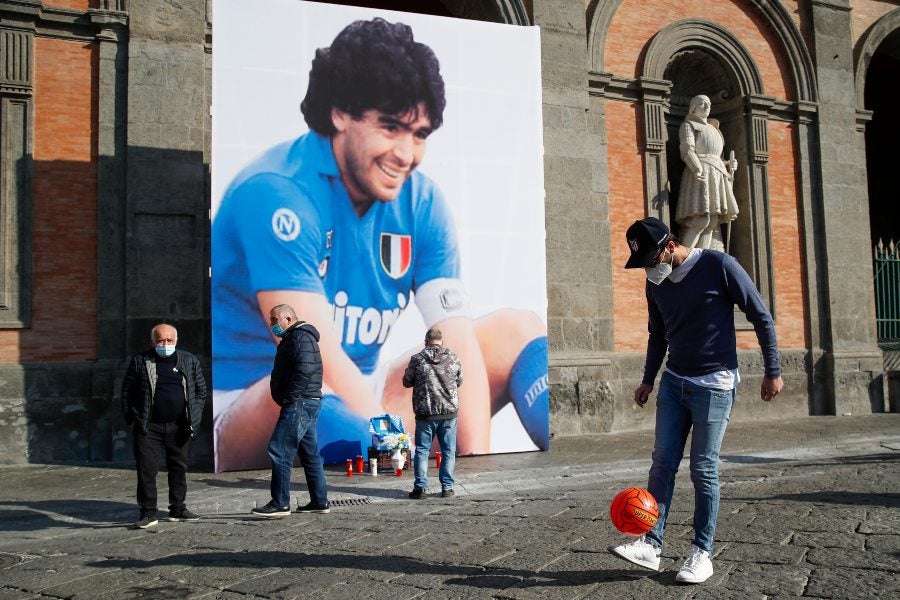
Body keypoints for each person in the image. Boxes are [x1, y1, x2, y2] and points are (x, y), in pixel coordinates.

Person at [212, 17, 548, 471]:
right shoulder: (276, 190)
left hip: (361, 394)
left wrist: (474, 459)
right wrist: (390, 437)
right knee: (304, 381)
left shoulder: (422, 201)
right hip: (251, 404)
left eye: (420, 134)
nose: (406, 154)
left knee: (517, 330)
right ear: (340, 114)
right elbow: (312, 354)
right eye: (391, 127)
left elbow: (453, 341)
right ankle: (375, 461)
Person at [609, 217, 783, 583]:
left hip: (715, 383)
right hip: (674, 382)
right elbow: (658, 335)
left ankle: (701, 554)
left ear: (669, 247)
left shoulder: (720, 266)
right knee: (662, 463)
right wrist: (647, 380)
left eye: (651, 260)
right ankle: (651, 545)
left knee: (703, 470)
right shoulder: (654, 283)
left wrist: (773, 370)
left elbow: (761, 316)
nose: (648, 270)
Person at [121, 324, 207, 529]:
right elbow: (127, 392)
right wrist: (131, 420)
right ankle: (148, 512)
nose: (165, 344)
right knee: (147, 470)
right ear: (153, 342)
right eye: (160, 341)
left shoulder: (189, 360)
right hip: (148, 426)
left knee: (179, 468)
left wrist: (193, 417)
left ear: (176, 341)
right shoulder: (141, 361)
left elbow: (200, 390)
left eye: (169, 341)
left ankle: (178, 508)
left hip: (180, 426)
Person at [252, 304, 330, 517]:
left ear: (288, 319)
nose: (272, 325)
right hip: (307, 401)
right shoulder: (299, 337)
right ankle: (319, 501)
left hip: (300, 403)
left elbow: (305, 369)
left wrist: (290, 396)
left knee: (279, 449)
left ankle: (280, 502)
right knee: (309, 453)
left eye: (274, 320)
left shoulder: (299, 337)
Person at [675, 94, 739, 250]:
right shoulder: (688, 125)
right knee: (700, 220)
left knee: (711, 222)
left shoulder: (714, 128)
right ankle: (684, 257)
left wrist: (729, 165)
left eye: (708, 103)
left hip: (717, 173)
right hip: (701, 172)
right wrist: (696, 167)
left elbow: (717, 156)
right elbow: (687, 149)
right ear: (694, 107)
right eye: (702, 103)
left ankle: (701, 257)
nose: (706, 106)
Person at [403, 328, 462, 499]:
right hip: (449, 413)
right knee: (448, 451)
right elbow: (459, 381)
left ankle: (420, 488)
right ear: (441, 341)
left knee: (422, 450)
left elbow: (406, 382)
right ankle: (447, 488)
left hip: (425, 414)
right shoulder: (453, 358)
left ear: (426, 341)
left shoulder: (417, 359)